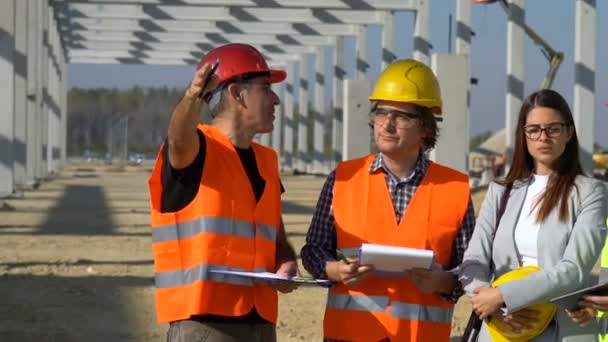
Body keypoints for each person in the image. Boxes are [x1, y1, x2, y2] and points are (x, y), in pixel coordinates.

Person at [300, 59, 476, 341]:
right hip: (349, 335)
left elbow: (471, 267)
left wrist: (442, 281)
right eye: (381, 113)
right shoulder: (343, 178)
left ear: (426, 128)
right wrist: (334, 269)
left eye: (402, 117)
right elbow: (313, 250)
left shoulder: (454, 188)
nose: (387, 125)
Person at [148, 43, 299, 342]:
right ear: (236, 94)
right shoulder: (196, 151)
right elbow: (178, 139)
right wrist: (191, 97)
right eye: (266, 88)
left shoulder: (266, 162)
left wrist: (285, 259)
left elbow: (276, 237)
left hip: (261, 323)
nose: (276, 99)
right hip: (204, 325)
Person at [459, 88, 608, 341]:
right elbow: (474, 260)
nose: (543, 137)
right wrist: (492, 303)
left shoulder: (590, 192)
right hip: (499, 328)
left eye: (553, 129)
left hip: (559, 329)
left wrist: (505, 296)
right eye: (534, 130)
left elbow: (572, 270)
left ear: (569, 133)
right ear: (524, 136)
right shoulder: (500, 191)